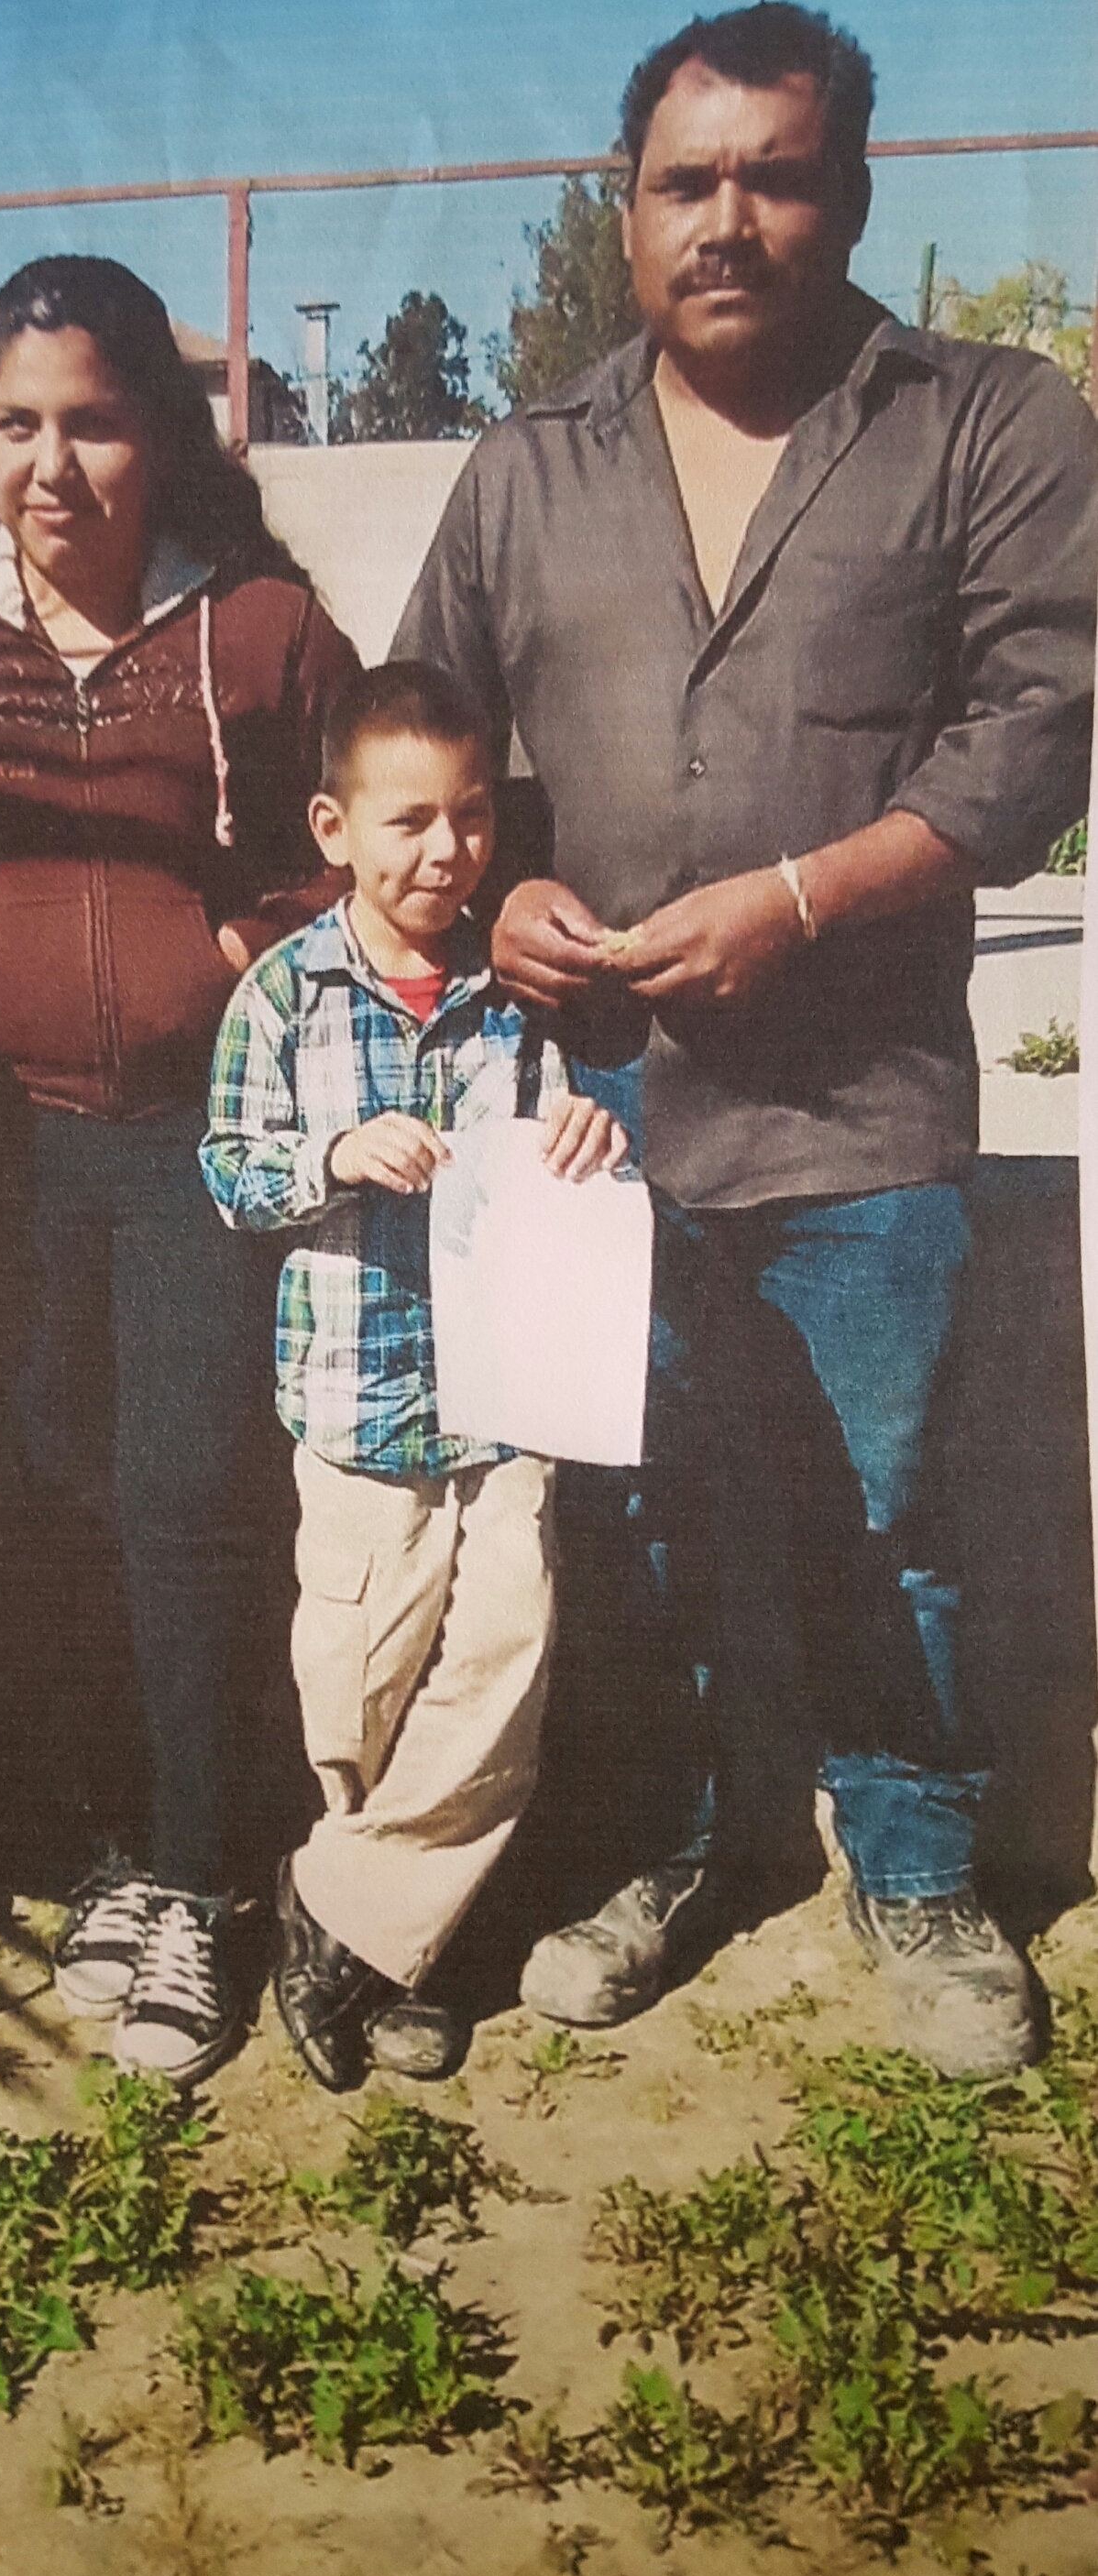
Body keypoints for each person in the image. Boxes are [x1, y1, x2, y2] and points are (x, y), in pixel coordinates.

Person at [390, 2, 1098, 2077]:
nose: (727, 220)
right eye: (683, 182)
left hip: (863, 1102)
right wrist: (497, 891)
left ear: (851, 196)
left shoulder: (984, 421)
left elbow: (1035, 735)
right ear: (624, 214)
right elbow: (428, 732)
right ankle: (686, 1844)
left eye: (775, 177)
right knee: (634, 1512)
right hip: (593, 1116)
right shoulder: (528, 467)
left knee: (895, 1507)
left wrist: (798, 900)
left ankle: (920, 1866)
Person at [0, 255, 357, 2088]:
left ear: (161, 434)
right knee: (46, 1494)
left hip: (189, 1144)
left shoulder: (264, 629)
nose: (50, 465)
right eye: (16, 424)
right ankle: (112, 1846)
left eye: (92, 422)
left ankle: (209, 1872)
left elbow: (360, 846)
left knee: (185, 1496)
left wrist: (236, 953)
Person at [201, 663, 627, 2090]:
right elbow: (227, 1170)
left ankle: (349, 1920)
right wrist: (331, 1155)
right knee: (363, 1683)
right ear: (333, 828)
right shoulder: (284, 992)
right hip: (357, 1404)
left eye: (472, 816)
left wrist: (585, 1138)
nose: (447, 850)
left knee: (505, 1653)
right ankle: (395, 1944)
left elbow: (554, 1143)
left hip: (501, 1402)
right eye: (409, 821)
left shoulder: (515, 1004)